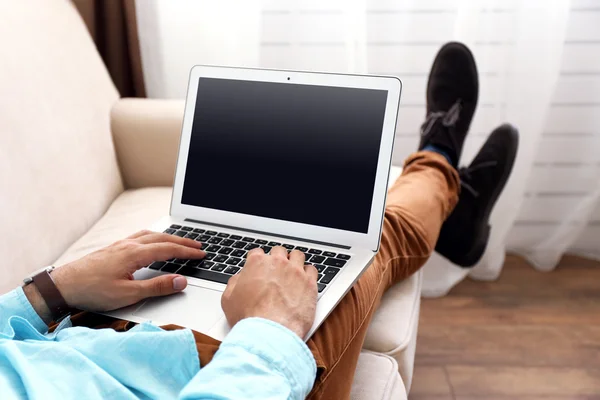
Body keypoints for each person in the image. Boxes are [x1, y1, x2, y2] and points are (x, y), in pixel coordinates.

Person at [0, 42, 518, 399]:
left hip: (72, 332)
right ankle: (440, 159)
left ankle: (454, 190)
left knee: (316, 234)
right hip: (227, 375)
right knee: (372, 238)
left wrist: (51, 290)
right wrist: (269, 329)